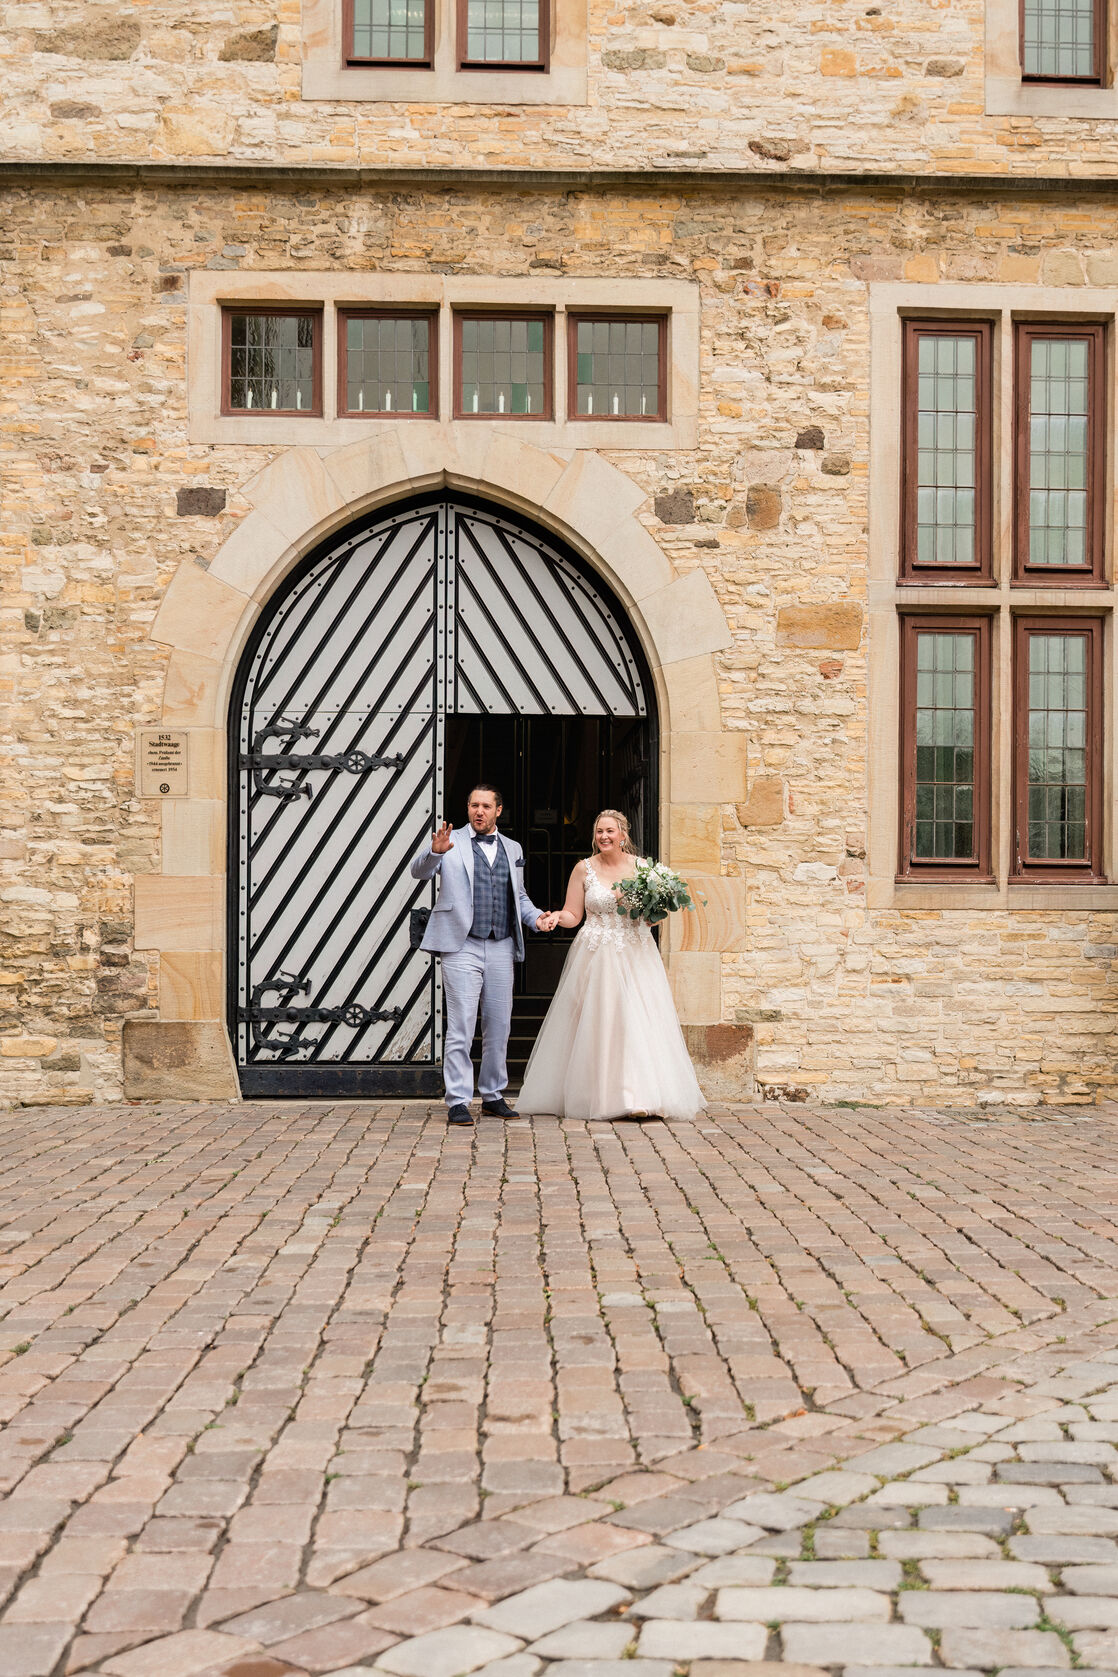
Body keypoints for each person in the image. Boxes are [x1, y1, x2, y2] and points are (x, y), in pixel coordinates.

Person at [517, 810, 706, 1122]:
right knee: (602, 1022)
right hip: (596, 954)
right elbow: (572, 915)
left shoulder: (644, 870)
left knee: (637, 1020)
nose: (604, 837)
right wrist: (553, 917)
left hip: (635, 952)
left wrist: (633, 902)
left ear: (623, 836)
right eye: (599, 832)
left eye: (610, 831)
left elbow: (651, 917)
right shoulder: (584, 869)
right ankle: (600, 1095)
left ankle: (640, 1096)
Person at [411, 784, 551, 1127]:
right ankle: (458, 1099)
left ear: (497, 810)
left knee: (499, 1025)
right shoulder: (451, 841)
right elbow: (418, 871)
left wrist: (537, 919)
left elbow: (518, 897)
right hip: (462, 945)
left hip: (502, 943)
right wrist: (435, 852)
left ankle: (492, 1095)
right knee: (461, 1026)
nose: (479, 811)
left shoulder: (513, 848)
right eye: (474, 805)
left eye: (486, 806)